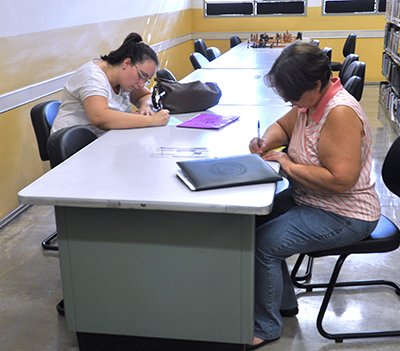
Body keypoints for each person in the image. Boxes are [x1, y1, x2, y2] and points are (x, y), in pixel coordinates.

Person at [247, 42, 380, 350]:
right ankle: (282, 302)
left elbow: (339, 181)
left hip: (346, 213)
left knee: (265, 244)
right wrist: (266, 140)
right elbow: (283, 125)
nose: (289, 102)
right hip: (311, 198)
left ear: (317, 85)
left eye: (293, 96)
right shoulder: (310, 103)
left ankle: (266, 327)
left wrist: (286, 163)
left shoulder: (340, 113)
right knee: (249, 222)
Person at [51, 32, 170, 136]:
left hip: (105, 142)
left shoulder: (124, 79)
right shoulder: (92, 77)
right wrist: (151, 120)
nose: (141, 84)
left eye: (146, 80)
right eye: (141, 75)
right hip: (76, 148)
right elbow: (100, 117)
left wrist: (145, 106)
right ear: (127, 63)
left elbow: (145, 96)